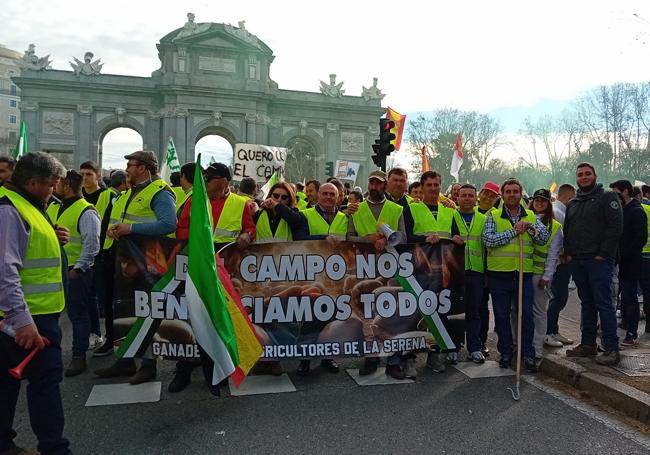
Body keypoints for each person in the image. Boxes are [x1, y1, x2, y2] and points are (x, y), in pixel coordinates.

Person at [0, 152, 73, 455]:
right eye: (51, 185)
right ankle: (55, 449)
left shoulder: (24, 205)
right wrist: (23, 320)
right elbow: (5, 271)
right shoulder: (9, 211)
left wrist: (55, 238)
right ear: (32, 182)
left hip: (27, 314)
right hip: (30, 318)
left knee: (7, 384)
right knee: (45, 385)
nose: (54, 190)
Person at [171, 162, 255, 395]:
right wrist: (202, 236)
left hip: (226, 273)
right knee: (191, 321)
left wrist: (247, 235)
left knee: (221, 322)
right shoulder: (194, 201)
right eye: (204, 178)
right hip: (197, 270)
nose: (204, 182)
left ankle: (222, 372)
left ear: (224, 182)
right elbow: (180, 230)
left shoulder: (241, 204)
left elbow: (250, 228)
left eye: (209, 179)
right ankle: (184, 369)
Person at [94, 151, 177, 384]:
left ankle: (149, 365)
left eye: (130, 164)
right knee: (127, 311)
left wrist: (129, 229)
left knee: (147, 313)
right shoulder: (128, 192)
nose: (126, 169)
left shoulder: (160, 193)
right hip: (125, 260)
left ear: (144, 168)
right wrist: (114, 230)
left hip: (147, 263)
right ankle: (125, 360)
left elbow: (169, 224)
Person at [483, 178, 549, 373]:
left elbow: (544, 238)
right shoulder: (493, 216)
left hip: (523, 275)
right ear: (502, 195)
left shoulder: (530, 216)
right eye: (508, 191)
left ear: (521, 194)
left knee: (526, 316)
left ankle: (527, 354)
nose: (512, 195)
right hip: (499, 276)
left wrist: (531, 228)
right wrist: (513, 231)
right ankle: (505, 352)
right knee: (502, 317)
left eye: (515, 191)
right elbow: (489, 240)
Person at [349, 170, 407, 379]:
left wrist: (386, 240)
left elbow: (404, 237)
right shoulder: (357, 209)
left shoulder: (396, 209)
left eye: (378, 183)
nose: (374, 186)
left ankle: (393, 360)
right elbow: (349, 236)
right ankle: (371, 356)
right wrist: (369, 239)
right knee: (367, 314)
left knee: (391, 314)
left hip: (390, 268)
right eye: (371, 182)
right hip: (364, 268)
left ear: (384, 186)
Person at [564, 163, 623, 366]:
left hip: (598, 261)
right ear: (576, 178)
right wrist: (569, 254)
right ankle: (588, 344)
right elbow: (568, 229)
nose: (584, 177)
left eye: (588, 173)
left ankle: (612, 348)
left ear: (595, 175)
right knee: (586, 303)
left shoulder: (607, 197)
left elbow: (615, 227)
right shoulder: (573, 202)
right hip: (578, 261)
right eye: (580, 174)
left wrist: (603, 254)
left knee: (604, 304)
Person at [404, 171, 462, 373]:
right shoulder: (411, 210)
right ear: (422, 187)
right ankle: (410, 357)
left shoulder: (450, 211)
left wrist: (457, 239)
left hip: (444, 270)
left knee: (440, 313)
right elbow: (405, 238)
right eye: (429, 185)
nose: (433, 189)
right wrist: (423, 239)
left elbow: (456, 234)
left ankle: (435, 355)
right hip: (418, 269)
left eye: (436, 185)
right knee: (415, 314)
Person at [47, 170, 101, 377]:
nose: (54, 186)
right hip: (52, 271)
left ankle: (78, 356)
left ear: (67, 185)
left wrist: (78, 268)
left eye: (58, 183)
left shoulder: (86, 210)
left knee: (78, 315)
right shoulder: (52, 206)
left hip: (75, 272)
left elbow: (92, 245)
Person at [295, 182, 348, 376]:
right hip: (311, 273)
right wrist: (321, 238)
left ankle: (328, 356)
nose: (327, 197)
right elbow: (297, 238)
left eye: (331, 194)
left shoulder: (344, 218)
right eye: (324, 193)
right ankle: (305, 359)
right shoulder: (306, 215)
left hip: (336, 276)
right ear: (317, 195)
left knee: (331, 318)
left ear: (338, 197)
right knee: (309, 317)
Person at [92, 170, 128, 358]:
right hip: (110, 253)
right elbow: (104, 223)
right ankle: (113, 340)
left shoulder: (115, 196)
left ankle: (116, 341)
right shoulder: (114, 197)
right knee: (111, 300)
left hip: (117, 254)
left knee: (116, 301)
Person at [609, 180, 647, 346]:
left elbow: (640, 238)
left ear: (625, 191)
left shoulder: (636, 211)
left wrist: (625, 254)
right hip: (620, 260)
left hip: (631, 262)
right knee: (623, 297)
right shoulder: (622, 209)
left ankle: (632, 332)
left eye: (616, 192)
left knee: (630, 297)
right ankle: (625, 326)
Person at [453, 184, 487, 364]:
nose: (467, 198)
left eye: (470, 196)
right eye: (463, 195)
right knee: (454, 312)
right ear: (457, 198)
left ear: (476, 199)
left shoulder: (484, 219)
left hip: (476, 272)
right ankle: (453, 347)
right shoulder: (450, 216)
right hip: (455, 272)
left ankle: (474, 347)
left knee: (474, 312)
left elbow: (487, 248)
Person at [527, 189, 562, 359]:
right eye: (537, 200)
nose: (540, 203)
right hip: (522, 272)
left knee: (539, 312)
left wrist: (547, 276)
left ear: (549, 204)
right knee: (517, 310)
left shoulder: (554, 226)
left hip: (539, 275)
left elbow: (553, 254)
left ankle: (536, 348)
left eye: (543, 201)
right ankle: (519, 344)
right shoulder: (524, 219)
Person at [79, 161, 107, 351]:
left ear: (99, 175)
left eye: (89, 174)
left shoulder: (108, 196)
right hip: (80, 255)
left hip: (104, 253)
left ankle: (101, 333)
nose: (85, 178)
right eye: (82, 174)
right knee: (86, 297)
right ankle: (93, 332)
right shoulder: (76, 198)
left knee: (100, 296)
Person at [545, 183, 576, 347]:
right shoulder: (557, 213)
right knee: (558, 297)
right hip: (559, 263)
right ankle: (548, 332)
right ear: (569, 196)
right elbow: (557, 241)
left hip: (563, 262)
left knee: (560, 297)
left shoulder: (562, 212)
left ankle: (554, 330)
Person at [476, 181, 500, 357]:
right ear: (480, 194)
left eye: (492, 195)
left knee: (484, 308)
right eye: (486, 193)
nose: (487, 197)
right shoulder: (467, 212)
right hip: (470, 269)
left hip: (491, 269)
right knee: (473, 307)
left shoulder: (498, 216)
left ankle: (481, 341)